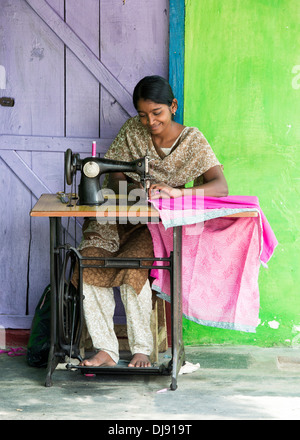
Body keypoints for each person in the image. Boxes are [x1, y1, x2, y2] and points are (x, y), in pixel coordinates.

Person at [77, 75, 228, 368]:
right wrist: (137, 193)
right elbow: (115, 176)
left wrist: (174, 193)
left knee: (135, 268)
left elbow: (220, 186)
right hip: (121, 216)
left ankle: (142, 349)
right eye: (143, 115)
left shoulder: (192, 140)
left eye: (156, 113)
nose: (149, 122)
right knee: (88, 262)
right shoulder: (132, 131)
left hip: (157, 225)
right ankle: (105, 349)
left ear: (172, 106)